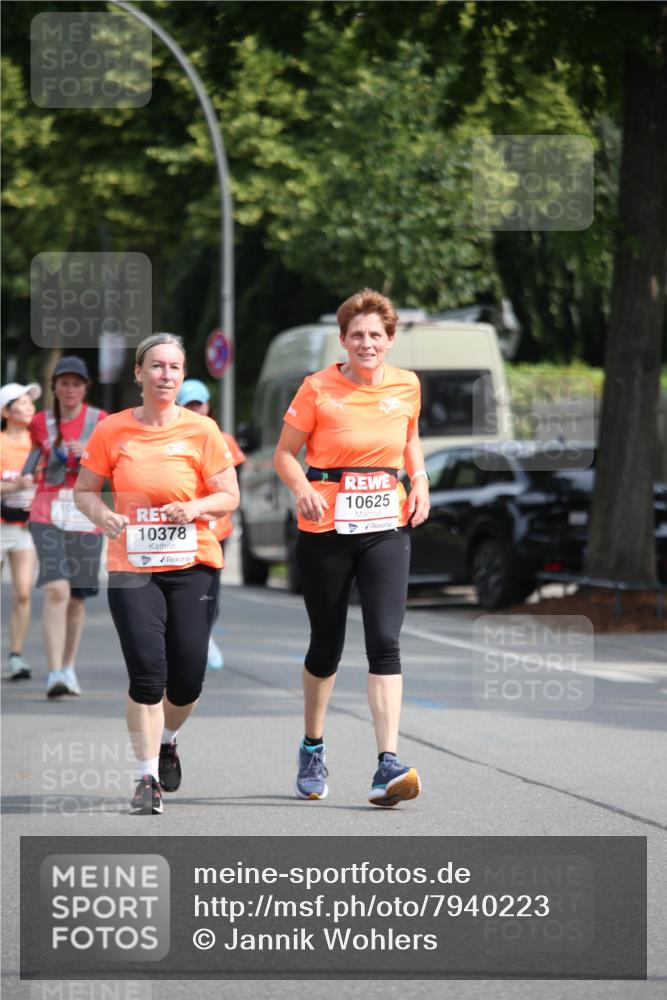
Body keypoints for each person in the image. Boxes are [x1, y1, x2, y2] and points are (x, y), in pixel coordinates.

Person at [273, 289, 430, 807]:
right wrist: (300, 490)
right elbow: (285, 454)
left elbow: (408, 438)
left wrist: (421, 478)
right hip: (326, 528)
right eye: (357, 335)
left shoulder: (407, 385)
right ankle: (312, 747)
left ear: (389, 341)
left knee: (385, 639)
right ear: (343, 340)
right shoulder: (317, 388)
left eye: (376, 335)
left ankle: (388, 762)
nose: (367, 343)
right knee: (327, 644)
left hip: (386, 522)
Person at [74, 334, 240, 815]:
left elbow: (228, 495)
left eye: (174, 367)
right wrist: (101, 515)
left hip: (194, 565)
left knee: (187, 678)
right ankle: (146, 776)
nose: (166, 375)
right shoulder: (112, 430)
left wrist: (195, 507)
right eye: (157, 367)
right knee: (148, 674)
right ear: (139, 374)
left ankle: (168, 740)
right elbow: (86, 490)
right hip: (133, 567)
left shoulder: (203, 430)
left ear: (182, 374)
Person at [29, 357, 107, 698]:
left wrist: (88, 452)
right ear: (55, 387)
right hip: (47, 512)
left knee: (76, 599)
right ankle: (54, 672)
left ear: (86, 387)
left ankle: (69, 667)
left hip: (86, 516)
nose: (70, 389)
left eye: (77, 383)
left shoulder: (100, 421)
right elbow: (31, 462)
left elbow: (113, 464)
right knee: (56, 590)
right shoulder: (39, 422)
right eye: (64, 383)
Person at [175, 378, 246, 670]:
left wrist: (214, 507)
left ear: (207, 406)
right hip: (182, 526)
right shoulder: (174, 436)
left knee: (209, 590)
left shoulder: (222, 438)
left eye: (199, 404)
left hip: (217, 527)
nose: (195, 410)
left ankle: (205, 634)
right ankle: (185, 637)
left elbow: (233, 484)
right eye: (189, 405)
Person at [1, 382, 41, 680]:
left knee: (24, 592)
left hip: (25, 528)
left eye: (31, 402)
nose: (29, 407)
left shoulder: (38, 444)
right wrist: (15, 486)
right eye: (22, 403)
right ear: (5, 411)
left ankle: (15, 656)